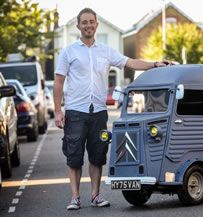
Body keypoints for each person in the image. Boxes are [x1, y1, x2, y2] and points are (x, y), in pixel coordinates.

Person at [53, 8, 174, 210]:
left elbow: (130, 62)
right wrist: (58, 111)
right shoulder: (69, 52)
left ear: (96, 25)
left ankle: (95, 196)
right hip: (75, 111)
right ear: (78, 26)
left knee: (97, 155)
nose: (88, 25)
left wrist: (155, 64)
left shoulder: (106, 51)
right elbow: (58, 83)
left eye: (91, 22)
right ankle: (75, 197)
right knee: (74, 156)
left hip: (99, 111)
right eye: (84, 22)